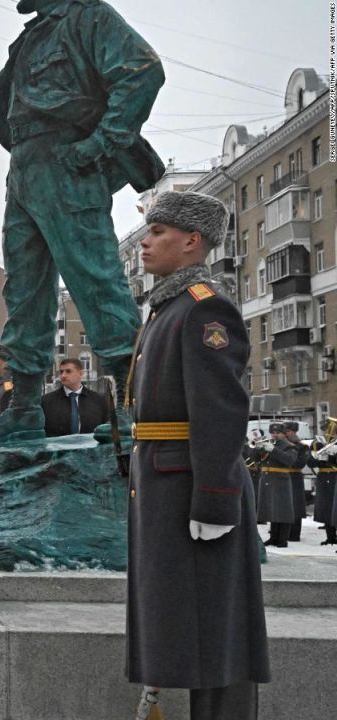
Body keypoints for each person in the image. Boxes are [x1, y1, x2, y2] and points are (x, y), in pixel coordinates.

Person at [0, 0, 164, 444]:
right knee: (24, 291)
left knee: (95, 280)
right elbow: (8, 119)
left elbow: (142, 70)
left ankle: (132, 403)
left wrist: (100, 143)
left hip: (67, 163)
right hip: (25, 167)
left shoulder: (87, 16)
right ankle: (23, 408)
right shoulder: (30, 36)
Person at [125, 191, 269, 718]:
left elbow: (220, 412)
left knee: (218, 631)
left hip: (191, 490)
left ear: (191, 241)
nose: (146, 241)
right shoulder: (169, 307)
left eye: (158, 232)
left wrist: (214, 501)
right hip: (165, 485)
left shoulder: (205, 306)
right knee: (182, 625)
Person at [40, 358, 110, 437]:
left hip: (90, 448)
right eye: (61, 372)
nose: (63, 375)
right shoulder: (46, 402)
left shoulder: (99, 400)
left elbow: (106, 428)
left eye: (68, 371)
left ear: (80, 373)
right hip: (59, 447)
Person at [254, 423, 297, 548]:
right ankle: (273, 537)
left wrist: (273, 450)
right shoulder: (269, 444)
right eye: (273, 433)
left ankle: (283, 539)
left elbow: (289, 460)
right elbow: (255, 459)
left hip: (281, 480)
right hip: (267, 479)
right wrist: (257, 448)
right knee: (271, 510)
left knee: (283, 511)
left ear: (284, 434)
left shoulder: (289, 446)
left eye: (278, 433)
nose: (275, 435)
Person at [307, 433, 336, 546]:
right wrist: (320, 458)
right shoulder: (318, 443)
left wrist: (331, 456)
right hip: (324, 478)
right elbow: (310, 461)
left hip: (335, 476)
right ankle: (330, 536)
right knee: (326, 507)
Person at [283, 422, 308, 542]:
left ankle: (294, 534)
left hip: (294, 476)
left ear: (294, 431)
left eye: (287, 431)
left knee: (296, 506)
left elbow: (300, 463)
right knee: (283, 504)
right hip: (283, 476)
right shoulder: (281, 444)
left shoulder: (302, 446)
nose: (285, 433)